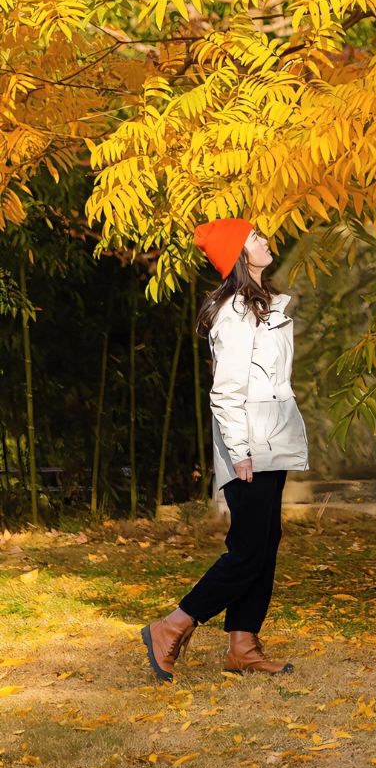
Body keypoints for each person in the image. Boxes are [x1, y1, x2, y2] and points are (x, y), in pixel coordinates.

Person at [141, 219, 310, 682]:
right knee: (249, 549)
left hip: (271, 435)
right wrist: (240, 451)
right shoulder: (234, 312)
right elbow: (226, 391)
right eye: (255, 237)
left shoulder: (261, 305)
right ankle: (173, 625)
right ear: (238, 253)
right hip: (249, 439)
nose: (266, 239)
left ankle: (243, 645)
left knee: (263, 542)